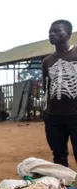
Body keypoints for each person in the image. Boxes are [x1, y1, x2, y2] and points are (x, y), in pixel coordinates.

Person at [43, 20, 77, 168]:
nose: (52, 34)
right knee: (58, 156)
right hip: (53, 116)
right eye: (51, 31)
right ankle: (63, 188)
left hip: (76, 114)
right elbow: (47, 87)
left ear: (68, 34)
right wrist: (46, 112)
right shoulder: (47, 61)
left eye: (58, 31)